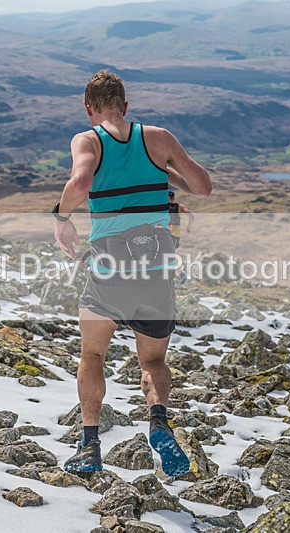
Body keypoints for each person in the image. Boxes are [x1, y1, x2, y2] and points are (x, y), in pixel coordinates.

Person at [52, 69, 211, 477]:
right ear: (125, 106)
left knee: (92, 354)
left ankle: (89, 447)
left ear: (89, 109)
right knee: (154, 359)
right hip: (157, 265)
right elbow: (202, 186)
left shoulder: (87, 139)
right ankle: (158, 421)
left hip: (110, 265)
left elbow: (81, 180)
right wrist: (164, 173)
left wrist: (61, 215)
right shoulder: (157, 137)